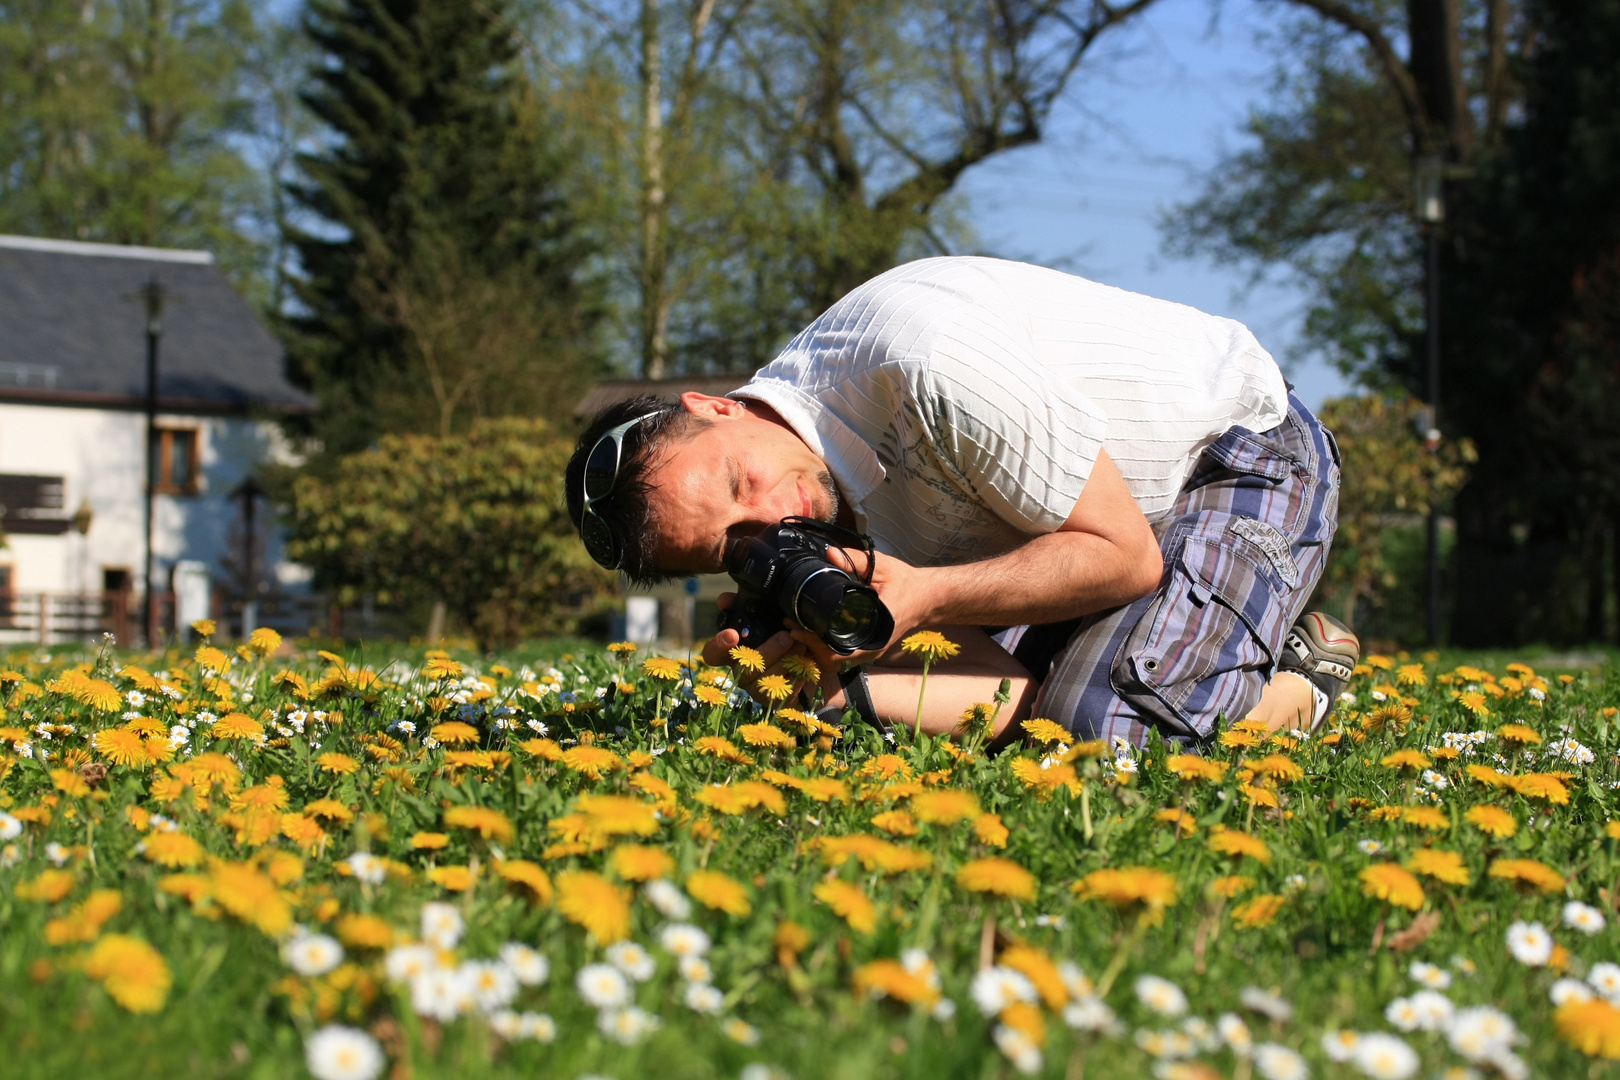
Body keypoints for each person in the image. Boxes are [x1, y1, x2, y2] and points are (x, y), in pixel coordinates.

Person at [565, 256, 1360, 747]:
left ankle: (1296, 688)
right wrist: (835, 670)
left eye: (741, 483)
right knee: (1041, 735)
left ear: (718, 405)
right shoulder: (815, 510)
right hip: (1065, 530)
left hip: (1229, 456)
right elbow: (1000, 691)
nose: (773, 520)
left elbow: (1125, 558)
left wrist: (931, 594)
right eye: (732, 545)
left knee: (1104, 740)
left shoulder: (924, 362)